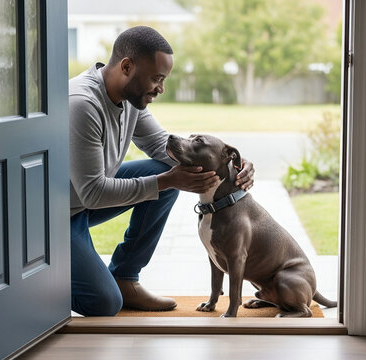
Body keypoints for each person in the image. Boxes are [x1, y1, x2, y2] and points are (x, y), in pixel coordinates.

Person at [68, 26, 255, 316]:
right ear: (127, 66)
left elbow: (162, 148)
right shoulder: (82, 105)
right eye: (157, 78)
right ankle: (39, 281)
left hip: (81, 200)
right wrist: (166, 181)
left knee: (164, 177)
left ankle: (124, 276)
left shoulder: (130, 98)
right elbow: (93, 193)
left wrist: (233, 168)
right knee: (104, 303)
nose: (161, 88)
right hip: (56, 215)